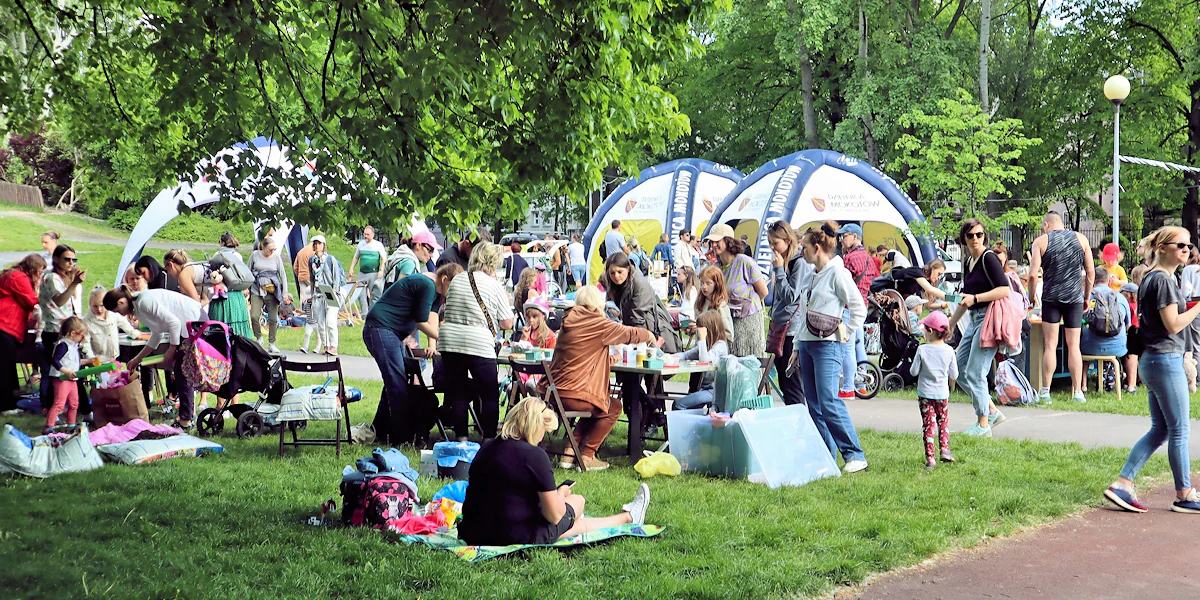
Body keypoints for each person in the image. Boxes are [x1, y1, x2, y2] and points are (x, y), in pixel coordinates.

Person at [457, 397, 651, 545]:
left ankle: (628, 517)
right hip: (513, 535)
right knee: (577, 502)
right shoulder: (535, 456)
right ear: (536, 426)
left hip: (474, 532)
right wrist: (560, 493)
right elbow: (554, 516)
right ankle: (628, 517)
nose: (543, 436)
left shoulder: (487, 447)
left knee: (563, 519)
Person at [1103, 226, 1200, 514]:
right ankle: (1184, 493)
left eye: (1188, 245)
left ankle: (1122, 483)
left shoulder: (1155, 277)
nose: (1186, 249)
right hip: (1164, 360)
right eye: (1180, 244)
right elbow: (1172, 324)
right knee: (1180, 429)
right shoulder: (1163, 280)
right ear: (1162, 248)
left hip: (1154, 359)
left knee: (1161, 430)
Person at [549, 285, 654, 470]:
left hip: (556, 394)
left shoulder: (569, 321)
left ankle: (568, 453)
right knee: (611, 407)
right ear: (598, 303)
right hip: (576, 395)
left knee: (596, 405)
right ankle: (587, 456)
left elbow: (586, 355)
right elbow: (628, 333)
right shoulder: (597, 323)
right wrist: (649, 335)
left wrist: (612, 358)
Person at [793, 221, 867, 473]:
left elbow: (858, 307)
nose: (801, 252)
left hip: (828, 344)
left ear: (817, 247)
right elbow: (804, 312)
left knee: (829, 401)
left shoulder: (837, 273)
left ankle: (854, 454)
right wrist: (796, 345)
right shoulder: (813, 274)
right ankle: (825, 457)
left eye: (804, 247)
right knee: (814, 404)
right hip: (807, 343)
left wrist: (848, 330)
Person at [363, 267, 451, 445]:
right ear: (444, 279)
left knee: (394, 380)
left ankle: (380, 431)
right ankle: (400, 439)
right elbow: (420, 322)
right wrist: (446, 338)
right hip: (381, 328)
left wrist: (432, 346)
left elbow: (432, 317)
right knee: (397, 384)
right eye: (453, 285)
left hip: (391, 332)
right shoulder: (428, 285)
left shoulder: (436, 291)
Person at [438, 241, 514, 440]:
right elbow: (507, 323)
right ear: (494, 262)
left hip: (450, 342)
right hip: (479, 344)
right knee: (489, 394)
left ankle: (461, 439)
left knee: (458, 392)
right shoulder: (494, 285)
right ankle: (488, 439)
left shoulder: (457, 280)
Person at [104, 286, 204, 429]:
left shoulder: (144, 302)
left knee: (182, 373)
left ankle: (186, 420)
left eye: (117, 311)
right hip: (187, 326)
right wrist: (137, 359)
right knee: (181, 373)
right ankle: (186, 416)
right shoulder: (139, 306)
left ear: (121, 302)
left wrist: (172, 348)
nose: (120, 314)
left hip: (194, 321)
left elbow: (174, 323)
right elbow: (157, 334)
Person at [947, 219, 1009, 437]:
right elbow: (966, 300)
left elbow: (1004, 290)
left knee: (975, 372)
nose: (975, 239)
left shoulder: (988, 258)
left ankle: (983, 425)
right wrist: (951, 324)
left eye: (979, 235)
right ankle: (991, 410)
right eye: (971, 235)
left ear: (985, 236)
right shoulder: (968, 262)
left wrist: (976, 298)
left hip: (988, 318)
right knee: (957, 367)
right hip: (973, 319)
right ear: (964, 238)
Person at [1030, 211, 1095, 403]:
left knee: (1050, 345)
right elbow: (1091, 271)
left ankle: (1045, 392)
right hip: (1074, 298)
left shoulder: (1041, 241)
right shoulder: (1081, 239)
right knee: (1073, 345)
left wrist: (1031, 296)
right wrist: (1086, 296)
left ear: (1046, 225)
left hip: (1051, 298)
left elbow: (1033, 275)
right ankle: (1077, 392)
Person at [703, 223, 768, 357]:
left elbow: (763, 292)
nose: (714, 245)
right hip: (727, 321)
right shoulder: (716, 268)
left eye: (717, 241)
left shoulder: (745, 262)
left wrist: (746, 305)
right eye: (712, 242)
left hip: (749, 322)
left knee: (749, 360)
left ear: (728, 241)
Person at [39, 244, 88, 418]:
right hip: (55, 331)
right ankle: (54, 410)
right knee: (58, 372)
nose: (70, 263)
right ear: (56, 259)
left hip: (69, 331)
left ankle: (78, 409)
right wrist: (74, 283)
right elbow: (59, 301)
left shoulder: (66, 278)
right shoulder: (51, 278)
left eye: (73, 259)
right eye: (66, 259)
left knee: (73, 371)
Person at [767, 220, 813, 407]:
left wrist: (778, 270)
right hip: (780, 328)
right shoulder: (786, 262)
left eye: (775, 242)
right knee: (785, 385)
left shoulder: (799, 263)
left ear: (787, 240)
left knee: (792, 385)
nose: (772, 247)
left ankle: (800, 426)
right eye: (770, 242)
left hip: (792, 332)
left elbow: (790, 297)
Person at [910, 311, 959, 469]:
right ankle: (945, 449)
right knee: (943, 422)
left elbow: (913, 372)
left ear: (930, 331)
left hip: (925, 394)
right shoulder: (949, 351)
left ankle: (930, 459)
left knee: (928, 425)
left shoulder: (922, 350)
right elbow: (954, 374)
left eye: (924, 329)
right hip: (942, 394)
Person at [837, 224, 879, 399]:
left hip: (848, 308)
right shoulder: (869, 258)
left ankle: (847, 388)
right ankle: (862, 385)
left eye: (844, 236)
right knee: (859, 346)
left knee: (847, 348)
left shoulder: (849, 258)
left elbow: (842, 282)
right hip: (862, 306)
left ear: (855, 236)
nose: (841, 239)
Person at [0, 254, 46, 410]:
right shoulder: (18, 277)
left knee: (8, 365)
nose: (39, 276)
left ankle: (12, 400)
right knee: (5, 368)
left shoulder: (13, 275)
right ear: (33, 268)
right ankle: (6, 405)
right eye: (40, 271)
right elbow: (32, 300)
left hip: (9, 327)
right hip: (5, 325)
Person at [668, 310, 731, 410]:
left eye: (700, 329)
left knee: (678, 404)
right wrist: (668, 357)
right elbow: (686, 355)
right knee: (685, 405)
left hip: (714, 391)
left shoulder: (720, 346)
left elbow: (704, 360)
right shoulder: (707, 345)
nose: (698, 331)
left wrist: (701, 339)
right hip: (704, 389)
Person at [43, 316, 87, 433]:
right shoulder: (63, 345)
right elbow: (55, 361)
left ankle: (71, 425)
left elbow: (74, 362)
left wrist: (89, 361)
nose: (82, 339)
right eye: (82, 336)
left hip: (72, 379)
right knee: (59, 403)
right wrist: (66, 371)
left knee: (74, 403)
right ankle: (49, 426)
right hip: (62, 378)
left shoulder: (74, 347)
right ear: (73, 333)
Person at [208, 233, 255, 341]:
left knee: (220, 320)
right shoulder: (237, 255)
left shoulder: (218, 255)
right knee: (238, 320)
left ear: (223, 242)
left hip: (223, 293)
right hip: (236, 293)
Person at [249, 237, 291, 353]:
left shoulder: (276, 257)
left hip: (272, 291)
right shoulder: (255, 255)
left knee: (273, 319)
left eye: (274, 249)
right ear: (263, 247)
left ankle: (272, 343)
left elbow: (283, 275)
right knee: (254, 315)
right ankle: (259, 337)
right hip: (257, 290)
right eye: (270, 249)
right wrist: (246, 288)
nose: (272, 252)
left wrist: (285, 293)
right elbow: (248, 271)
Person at [306, 235, 346, 356]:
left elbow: (336, 277)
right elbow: (312, 278)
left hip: (329, 291)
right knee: (320, 322)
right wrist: (312, 294)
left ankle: (334, 346)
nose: (317, 245)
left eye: (319, 243)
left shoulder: (330, 259)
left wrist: (335, 290)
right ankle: (326, 345)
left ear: (324, 245)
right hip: (318, 292)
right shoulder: (312, 260)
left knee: (330, 321)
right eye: (315, 243)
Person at [84, 286, 140, 363]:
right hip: (99, 360)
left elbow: (123, 323)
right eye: (95, 306)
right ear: (90, 305)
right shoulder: (87, 321)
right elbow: (85, 343)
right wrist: (91, 359)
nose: (99, 310)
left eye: (102, 305)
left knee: (116, 374)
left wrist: (135, 334)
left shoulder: (112, 314)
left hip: (114, 357)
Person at [348, 226, 387, 314]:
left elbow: (384, 259)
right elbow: (356, 257)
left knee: (374, 293)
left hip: (374, 273)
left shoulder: (378, 245)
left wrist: (381, 270)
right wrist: (351, 268)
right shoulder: (361, 244)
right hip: (362, 272)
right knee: (359, 291)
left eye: (368, 234)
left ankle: (373, 312)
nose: (365, 236)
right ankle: (364, 313)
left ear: (372, 235)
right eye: (364, 234)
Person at [693, 266, 734, 341]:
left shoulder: (721, 306)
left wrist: (707, 330)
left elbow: (728, 335)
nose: (704, 287)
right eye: (702, 283)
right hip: (700, 348)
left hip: (715, 350)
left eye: (708, 283)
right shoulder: (699, 302)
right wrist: (692, 328)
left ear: (717, 284)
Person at [1121, 282, 1141, 393]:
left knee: (1130, 357)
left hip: (1131, 332)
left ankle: (1128, 381)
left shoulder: (1127, 305)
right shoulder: (1139, 304)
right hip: (1139, 331)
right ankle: (1136, 381)